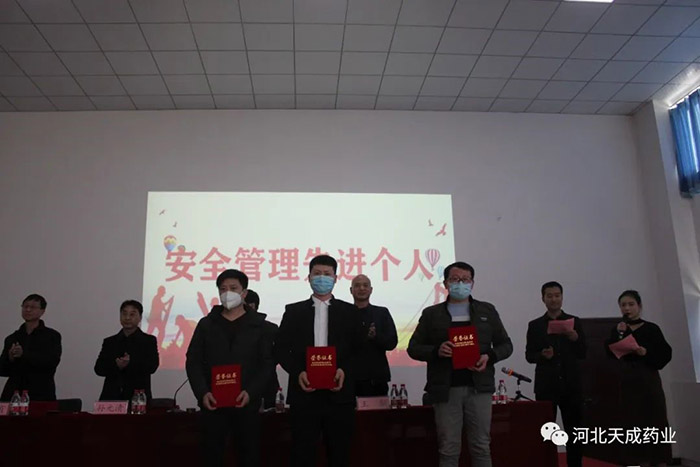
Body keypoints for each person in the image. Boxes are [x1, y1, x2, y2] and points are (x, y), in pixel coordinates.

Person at [407, 262, 512, 467]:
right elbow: (413, 348)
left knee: (481, 446)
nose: (460, 284)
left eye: (465, 280)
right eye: (455, 279)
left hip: (479, 388)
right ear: (446, 283)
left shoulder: (486, 310)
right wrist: (436, 351)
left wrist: (489, 356)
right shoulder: (432, 314)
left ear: (472, 283)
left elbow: (506, 345)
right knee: (448, 448)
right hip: (446, 390)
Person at [275, 255, 364, 467]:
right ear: (308, 278)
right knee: (302, 453)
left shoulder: (350, 312)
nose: (321, 278)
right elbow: (280, 349)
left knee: (339, 453)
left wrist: (344, 370)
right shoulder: (293, 311)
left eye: (327, 274)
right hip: (304, 394)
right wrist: (298, 372)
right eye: (317, 274)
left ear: (335, 278)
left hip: (340, 394)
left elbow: (359, 349)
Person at [186, 269, 275, 467]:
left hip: (247, 404)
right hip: (213, 403)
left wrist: (251, 392)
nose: (228, 293)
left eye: (233, 288)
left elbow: (266, 365)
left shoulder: (260, 326)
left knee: (248, 456)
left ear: (244, 293)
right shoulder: (206, 324)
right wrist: (203, 392)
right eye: (223, 289)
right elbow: (193, 361)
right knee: (211, 456)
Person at [605, 290, 672, 467]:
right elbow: (610, 352)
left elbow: (665, 354)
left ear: (639, 306)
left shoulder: (651, 328)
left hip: (648, 378)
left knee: (656, 419)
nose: (627, 308)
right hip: (628, 379)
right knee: (632, 420)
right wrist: (619, 335)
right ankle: (638, 461)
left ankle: (660, 460)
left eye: (631, 304)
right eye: (623, 305)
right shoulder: (618, 328)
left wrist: (645, 353)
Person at [525, 281, 586, 467]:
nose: (554, 299)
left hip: (571, 385)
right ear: (543, 298)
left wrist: (575, 338)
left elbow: (583, 353)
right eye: (549, 296)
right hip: (547, 385)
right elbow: (529, 355)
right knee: (547, 432)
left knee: (574, 431)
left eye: (557, 295)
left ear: (562, 297)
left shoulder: (574, 322)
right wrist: (542, 356)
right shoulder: (535, 325)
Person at [94, 300, 159, 401]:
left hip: (137, 399)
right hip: (111, 398)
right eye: (124, 314)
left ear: (140, 317)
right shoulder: (110, 342)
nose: (127, 318)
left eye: (132, 314)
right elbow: (99, 369)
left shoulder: (148, 341)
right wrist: (117, 366)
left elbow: (152, 366)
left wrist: (130, 363)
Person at [0, 294, 62, 401]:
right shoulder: (12, 338)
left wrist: (24, 355)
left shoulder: (52, 336)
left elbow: (51, 362)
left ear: (42, 311)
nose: (28, 310)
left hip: (41, 393)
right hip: (14, 394)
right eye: (25, 306)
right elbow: (3, 370)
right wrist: (10, 358)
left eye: (33, 307)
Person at [349, 274, 398, 396]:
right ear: (351, 290)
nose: (361, 288)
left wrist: (376, 337)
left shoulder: (382, 313)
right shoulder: (344, 313)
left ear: (371, 290)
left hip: (376, 378)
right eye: (357, 286)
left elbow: (392, 342)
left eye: (365, 285)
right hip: (350, 378)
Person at [245, 289, 280, 411]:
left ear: (253, 306)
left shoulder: (270, 329)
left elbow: (278, 354)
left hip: (268, 384)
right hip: (240, 385)